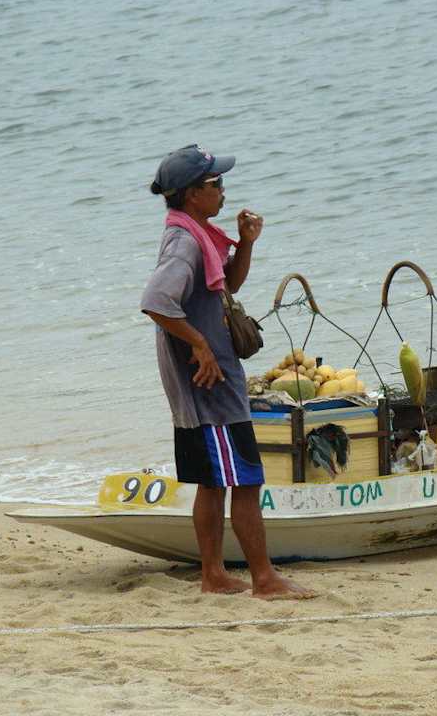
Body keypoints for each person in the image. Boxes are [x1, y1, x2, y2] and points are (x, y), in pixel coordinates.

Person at [141, 144, 313, 600]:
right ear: (192, 193)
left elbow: (228, 287)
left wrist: (248, 242)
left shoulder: (198, 233)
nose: (223, 190)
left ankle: (214, 576)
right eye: (215, 184)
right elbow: (157, 302)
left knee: (215, 483)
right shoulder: (183, 242)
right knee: (245, 479)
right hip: (208, 385)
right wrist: (200, 347)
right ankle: (264, 579)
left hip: (209, 382)